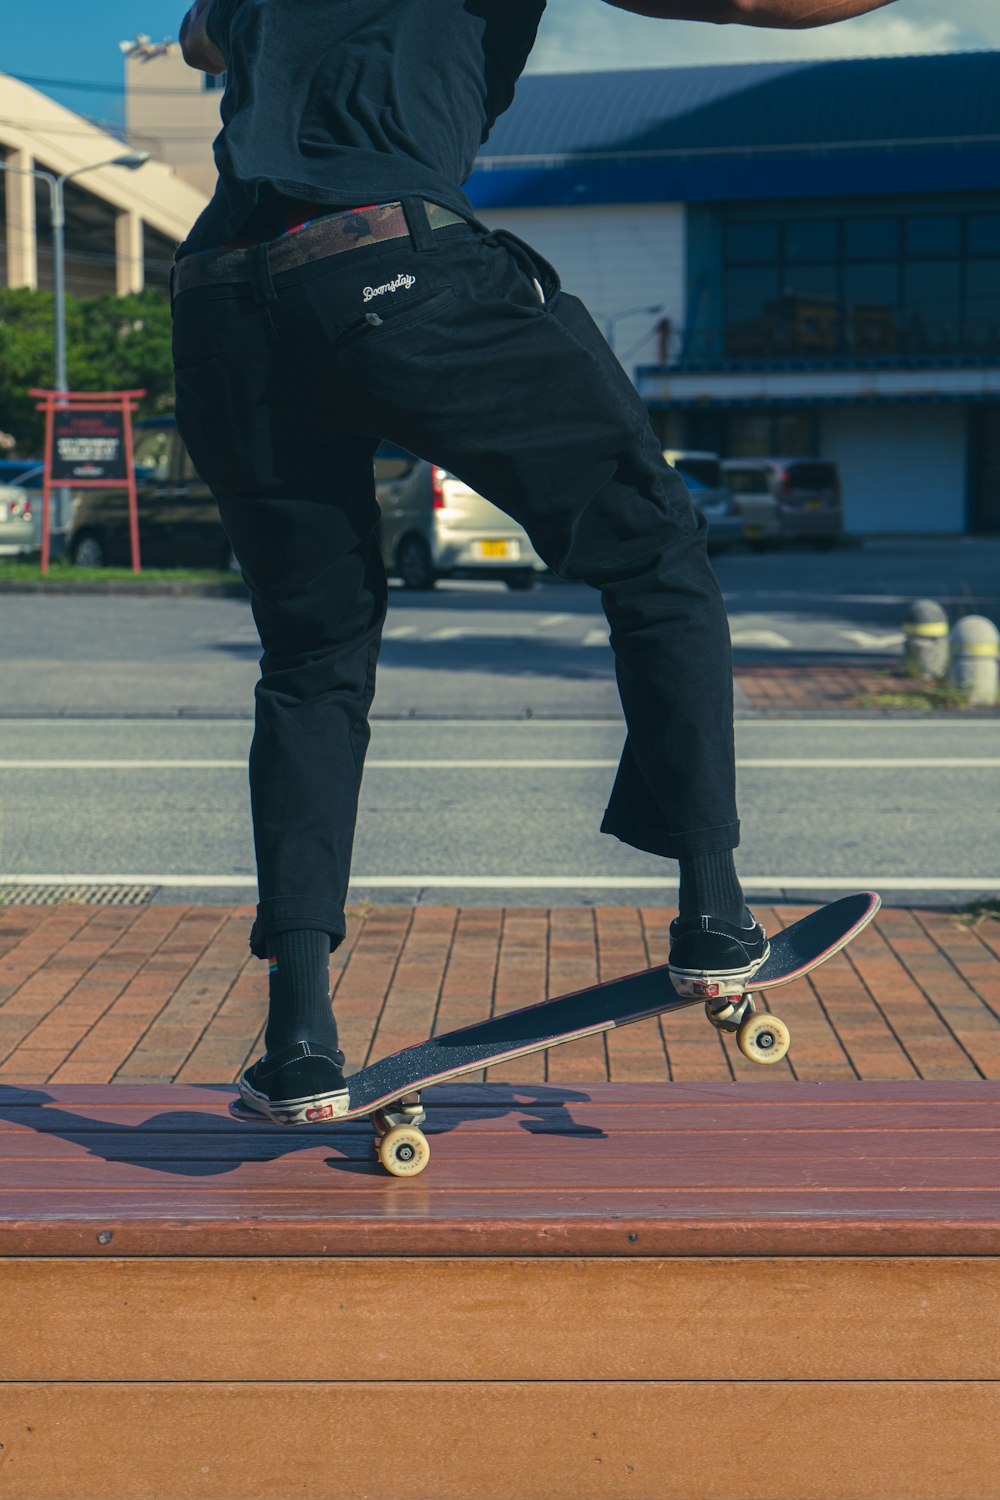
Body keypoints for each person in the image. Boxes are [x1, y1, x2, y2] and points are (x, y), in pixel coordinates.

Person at [173, 0, 898, 1125]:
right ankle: (713, 910)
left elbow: (197, 36)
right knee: (652, 545)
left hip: (221, 300)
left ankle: (299, 1039)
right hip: (395, 264)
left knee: (312, 659)